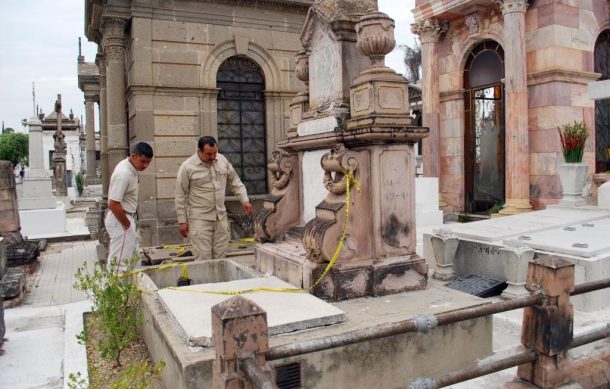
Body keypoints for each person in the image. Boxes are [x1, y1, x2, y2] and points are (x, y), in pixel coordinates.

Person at [175, 136, 252, 260]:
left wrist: (245, 201)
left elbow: (235, 182)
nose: (212, 157)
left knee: (221, 258)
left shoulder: (222, 160)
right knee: (203, 259)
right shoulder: (187, 167)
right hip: (200, 220)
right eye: (208, 154)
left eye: (215, 152)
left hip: (221, 218)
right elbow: (179, 195)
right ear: (199, 151)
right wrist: (182, 221)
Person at [105, 142, 153, 273]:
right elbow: (113, 203)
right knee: (119, 264)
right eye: (143, 161)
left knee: (134, 260)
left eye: (148, 162)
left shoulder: (131, 167)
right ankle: (116, 293)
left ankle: (131, 291)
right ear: (133, 156)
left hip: (126, 218)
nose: (145, 165)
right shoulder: (124, 173)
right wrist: (126, 224)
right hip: (121, 219)